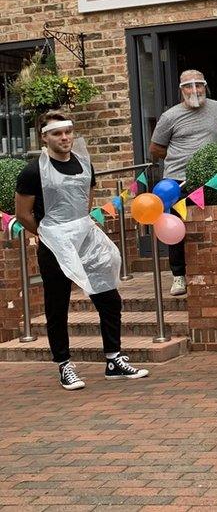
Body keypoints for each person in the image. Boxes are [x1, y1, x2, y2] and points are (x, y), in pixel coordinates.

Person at [15, 111, 150, 390]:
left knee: (109, 297)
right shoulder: (32, 171)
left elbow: (85, 202)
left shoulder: (84, 163)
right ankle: (64, 365)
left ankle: (113, 359)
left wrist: (79, 229)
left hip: (85, 236)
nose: (64, 137)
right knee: (57, 304)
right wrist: (47, 234)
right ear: (44, 137)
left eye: (68, 132)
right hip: (54, 241)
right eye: (56, 133)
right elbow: (23, 214)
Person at [149, 69, 217, 296]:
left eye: (199, 85)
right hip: (178, 181)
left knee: (209, 223)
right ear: (181, 90)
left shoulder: (216, 108)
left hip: (210, 179)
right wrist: (180, 158)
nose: (194, 90)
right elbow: (155, 148)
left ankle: (211, 269)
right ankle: (179, 276)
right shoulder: (170, 117)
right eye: (188, 86)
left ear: (205, 86)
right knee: (177, 227)